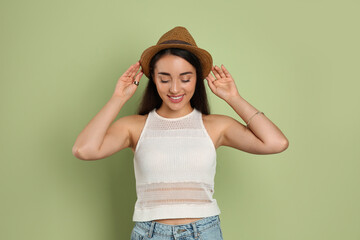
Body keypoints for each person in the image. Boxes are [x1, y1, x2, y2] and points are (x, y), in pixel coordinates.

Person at [72, 26, 289, 240]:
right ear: (153, 79)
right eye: (164, 79)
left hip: (204, 233)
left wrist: (234, 98)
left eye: (185, 78)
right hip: (150, 234)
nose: (175, 89)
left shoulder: (215, 126)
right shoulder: (135, 126)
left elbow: (275, 142)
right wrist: (118, 98)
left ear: (198, 79)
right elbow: (84, 149)